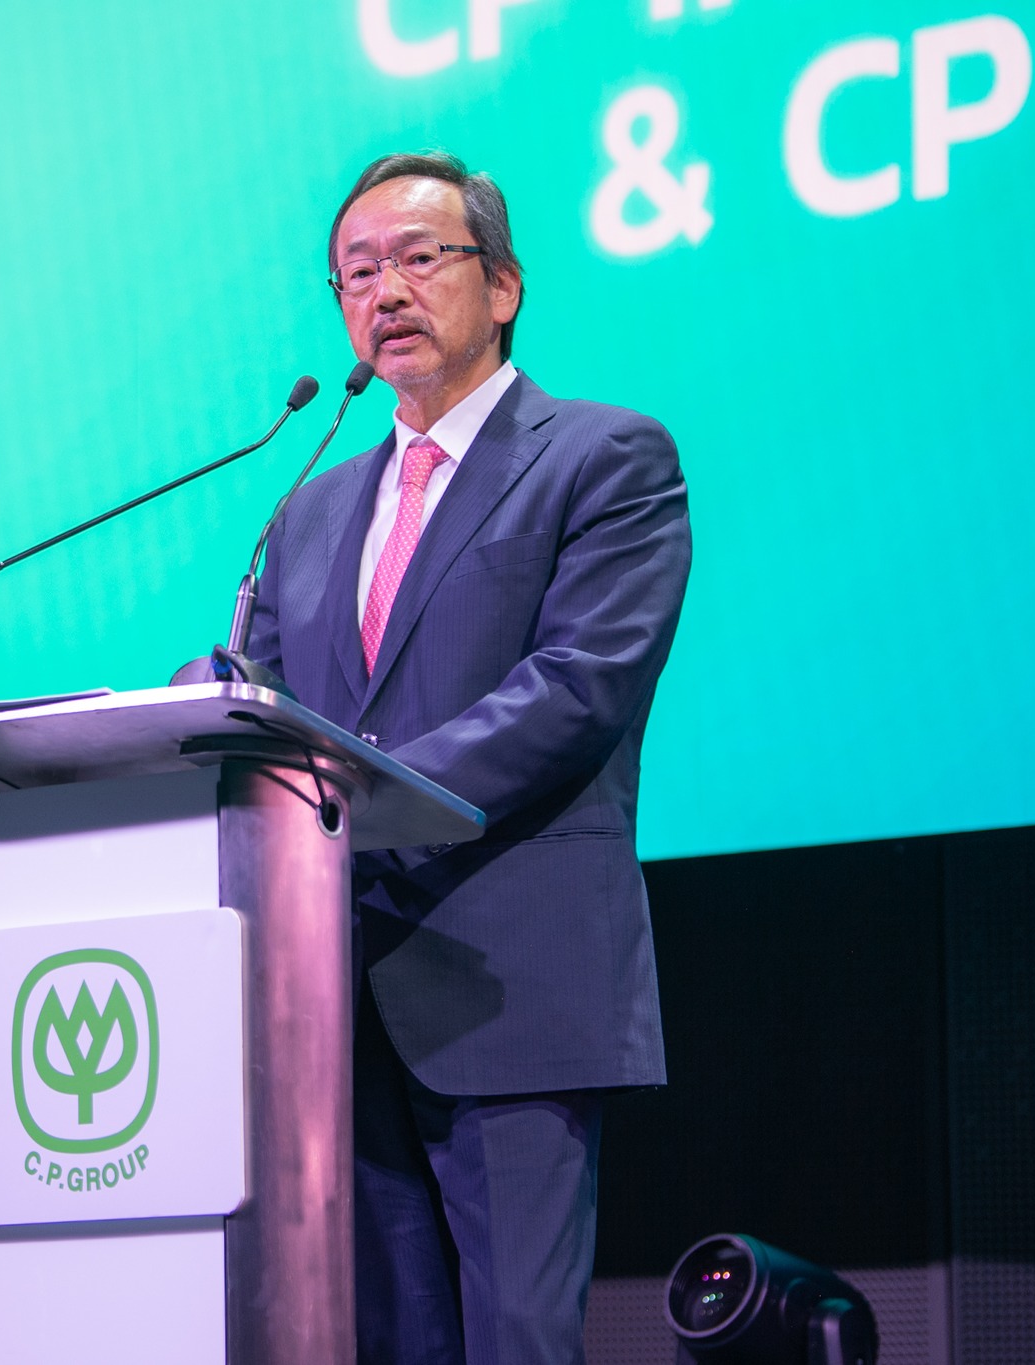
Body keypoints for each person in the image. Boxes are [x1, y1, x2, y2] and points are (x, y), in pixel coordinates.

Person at [246, 151, 692, 1364]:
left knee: (514, 1342)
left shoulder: (602, 457)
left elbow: (577, 686)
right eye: (355, 273)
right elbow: (260, 706)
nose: (383, 290)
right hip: (328, 994)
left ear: (500, 286)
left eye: (415, 257)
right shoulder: (307, 510)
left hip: (509, 979)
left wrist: (358, 802)